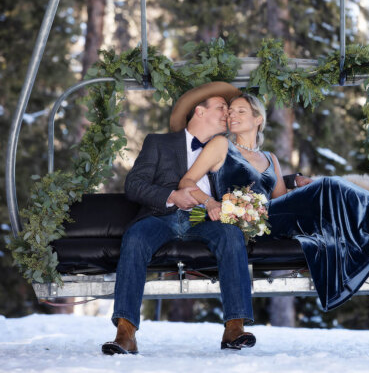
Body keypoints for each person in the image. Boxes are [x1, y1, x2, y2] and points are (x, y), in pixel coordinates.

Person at [178, 92, 369, 312]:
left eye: (240, 111)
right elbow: (186, 183)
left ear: (258, 119)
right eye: (230, 112)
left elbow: (282, 203)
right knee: (328, 185)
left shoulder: (271, 158)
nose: (231, 116)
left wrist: (304, 189)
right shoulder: (221, 146)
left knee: (327, 189)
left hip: (273, 221)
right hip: (243, 225)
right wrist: (211, 203)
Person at [102, 82, 258, 355]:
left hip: (206, 219)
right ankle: (125, 333)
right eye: (222, 107)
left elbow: (257, 176)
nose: (228, 114)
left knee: (232, 234)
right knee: (136, 237)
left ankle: (234, 327)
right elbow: (134, 185)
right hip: (162, 215)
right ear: (199, 111)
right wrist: (172, 195)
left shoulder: (225, 149)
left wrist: (293, 180)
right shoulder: (159, 143)